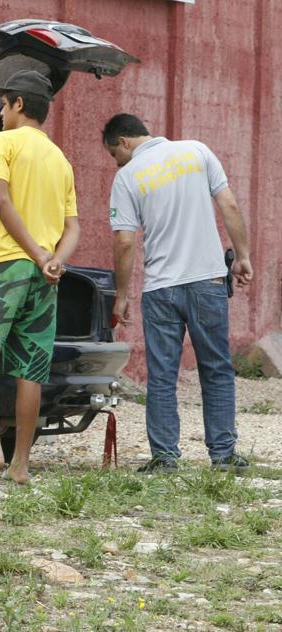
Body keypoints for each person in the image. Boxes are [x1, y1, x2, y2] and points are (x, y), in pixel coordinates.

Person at [101, 113, 254, 473]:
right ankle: (224, 455)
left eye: (113, 154)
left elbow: (125, 241)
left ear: (123, 141)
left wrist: (121, 295)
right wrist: (243, 256)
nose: (116, 161)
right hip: (209, 281)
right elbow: (229, 205)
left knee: (162, 375)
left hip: (161, 289)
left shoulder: (127, 177)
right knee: (217, 368)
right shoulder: (197, 151)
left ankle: (165, 458)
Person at [0, 70, 80, 485]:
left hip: (5, 263)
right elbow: (73, 226)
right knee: (30, 368)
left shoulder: (2, 142)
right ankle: (21, 465)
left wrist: (34, 253)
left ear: (19, 105)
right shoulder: (60, 159)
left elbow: (2, 201)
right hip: (44, 276)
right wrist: (53, 261)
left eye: (3, 103)